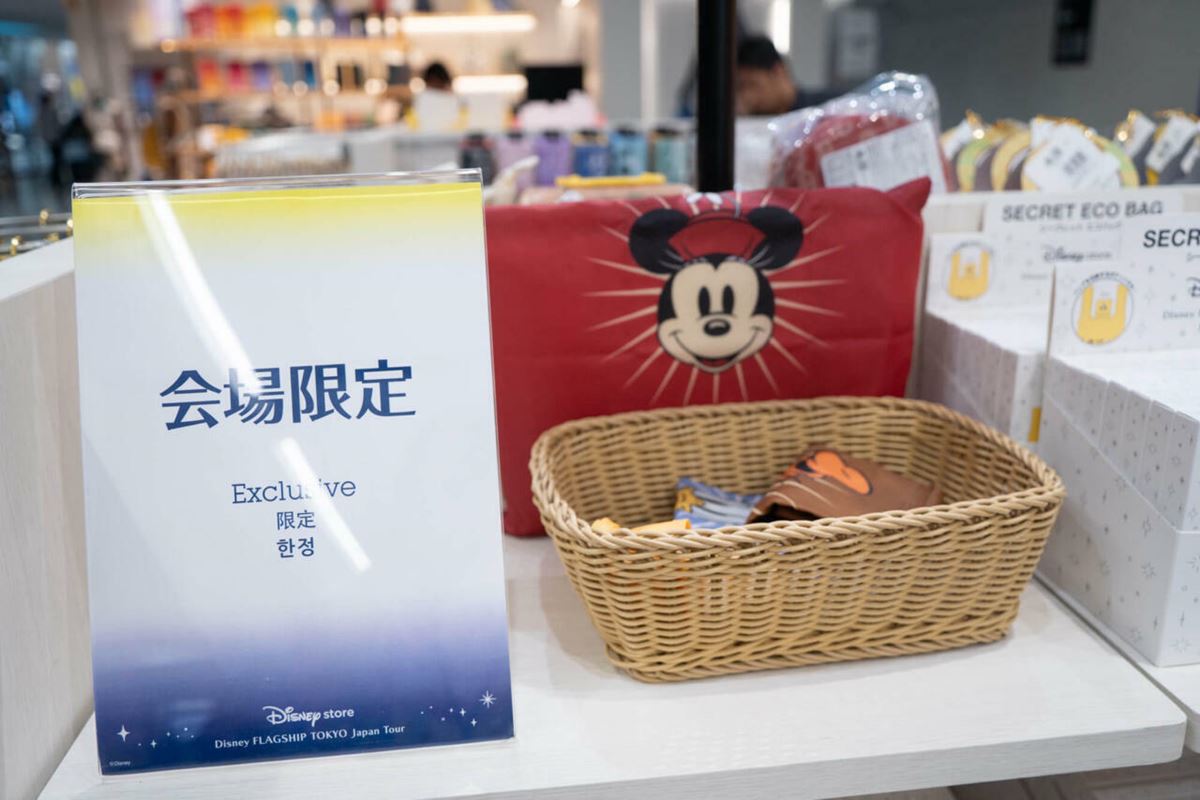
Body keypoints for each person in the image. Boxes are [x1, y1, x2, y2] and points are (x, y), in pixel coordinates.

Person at [735, 35, 801, 116]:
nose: (747, 97)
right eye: (741, 87)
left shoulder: (814, 113)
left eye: (753, 85)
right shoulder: (753, 115)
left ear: (777, 72)